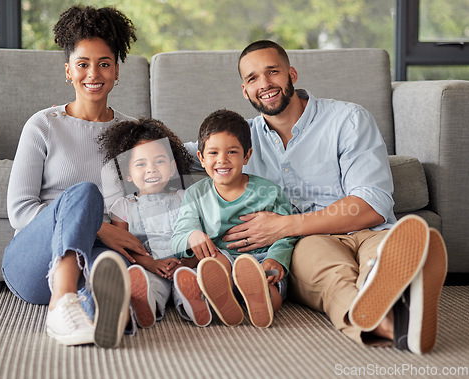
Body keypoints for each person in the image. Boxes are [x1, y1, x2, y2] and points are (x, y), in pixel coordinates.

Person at [210, 40, 447, 353]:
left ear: (291, 73)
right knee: (333, 278)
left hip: (369, 231)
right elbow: (178, 156)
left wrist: (283, 225)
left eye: (273, 72)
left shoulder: (348, 119)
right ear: (245, 91)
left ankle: (390, 288)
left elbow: (372, 205)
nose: (265, 84)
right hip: (312, 241)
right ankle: (395, 321)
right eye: (253, 78)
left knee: (385, 257)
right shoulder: (238, 142)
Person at [2, 5, 145, 348]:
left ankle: (101, 313)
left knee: (112, 271)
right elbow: (19, 210)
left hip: (95, 252)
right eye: (83, 64)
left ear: (116, 71)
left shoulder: (130, 133)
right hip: (32, 264)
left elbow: (148, 194)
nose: (93, 73)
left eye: (104, 63)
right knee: (85, 193)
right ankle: (61, 303)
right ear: (69, 71)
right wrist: (99, 226)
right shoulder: (43, 125)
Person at [172, 109, 297, 328]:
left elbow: (286, 234)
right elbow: (179, 235)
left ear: (246, 156)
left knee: (271, 285)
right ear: (201, 158)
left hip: (261, 259)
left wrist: (276, 258)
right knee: (214, 262)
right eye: (213, 153)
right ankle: (220, 296)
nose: (222, 160)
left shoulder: (269, 191)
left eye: (232, 152)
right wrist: (192, 236)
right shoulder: (195, 194)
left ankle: (262, 303)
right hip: (223, 259)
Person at [97, 118, 213, 328]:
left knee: (191, 280)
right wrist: (151, 263)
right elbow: (124, 246)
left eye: (159, 161)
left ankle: (194, 303)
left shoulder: (184, 197)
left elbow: (199, 235)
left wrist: (187, 263)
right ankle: (146, 304)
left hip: (184, 264)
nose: (151, 169)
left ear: (171, 169)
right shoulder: (123, 206)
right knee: (149, 284)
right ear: (128, 175)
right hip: (149, 266)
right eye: (141, 164)